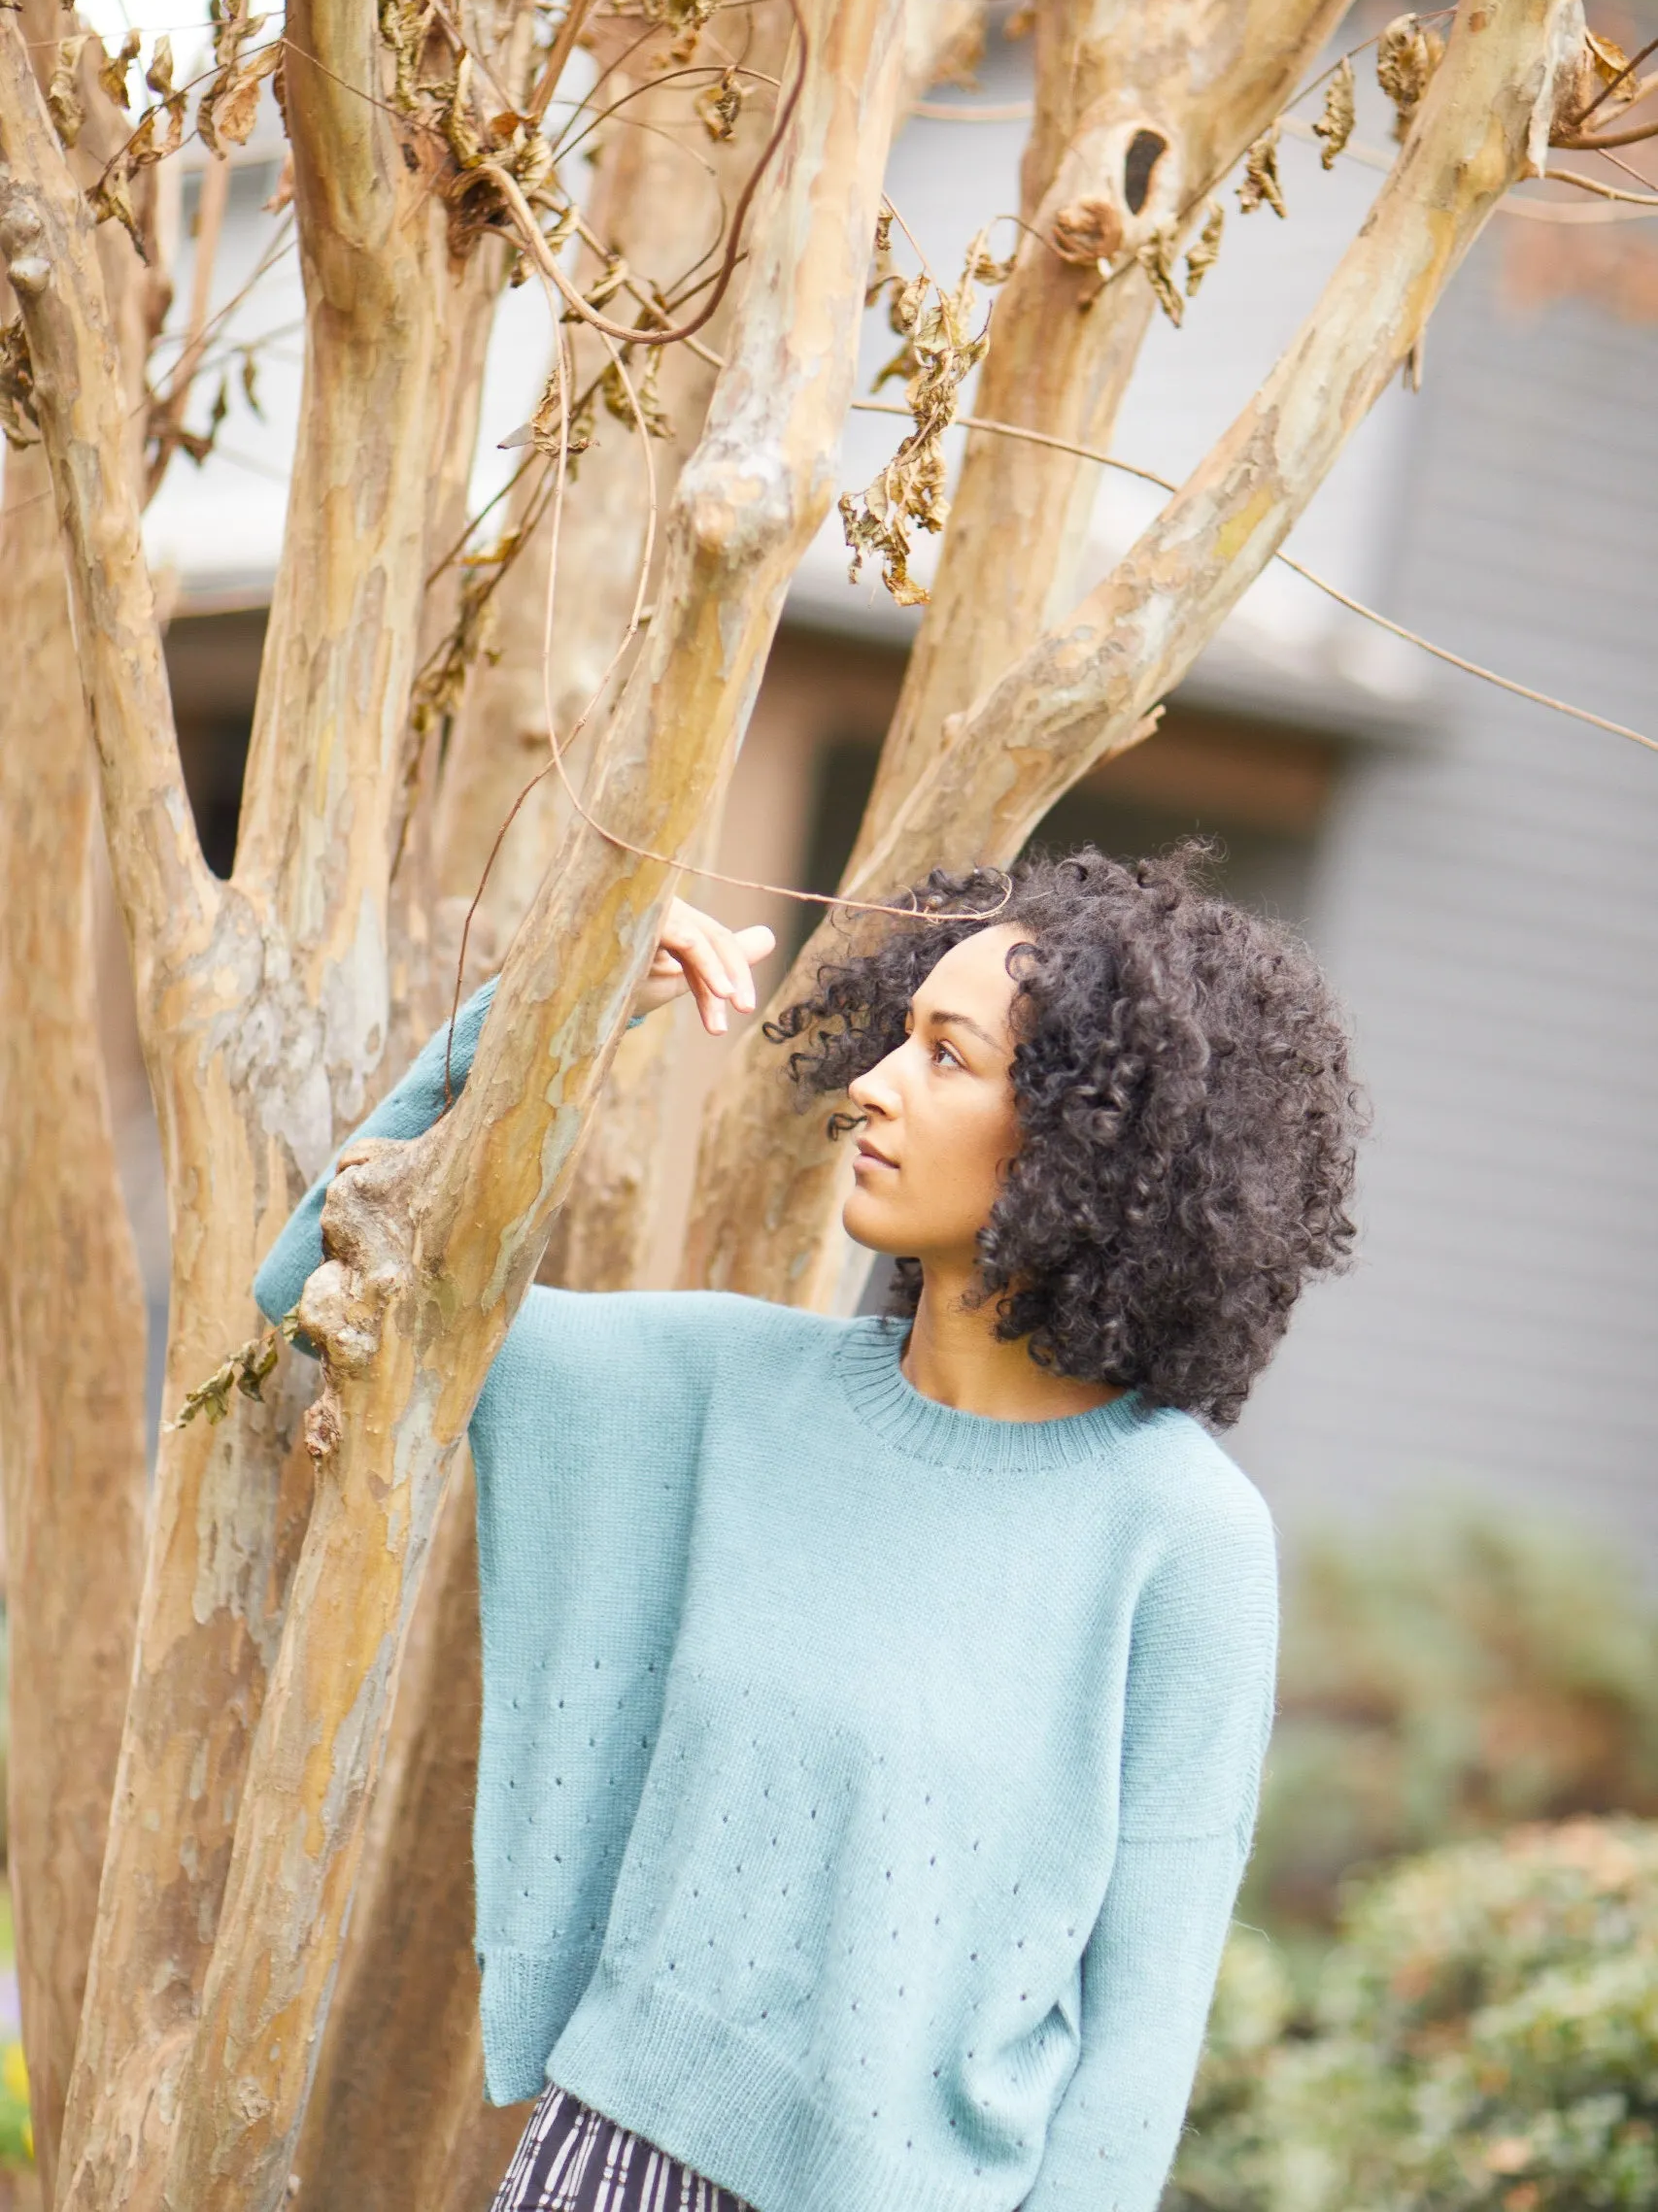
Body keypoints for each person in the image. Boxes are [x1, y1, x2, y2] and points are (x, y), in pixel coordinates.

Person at [256, 845, 1361, 2212]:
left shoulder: (1181, 1535)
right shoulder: (718, 1394)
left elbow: (1136, 2048)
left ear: (1090, 1134)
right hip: (609, 2166)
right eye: (895, 1037)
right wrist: (542, 1017)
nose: (872, 1086)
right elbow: (323, 1278)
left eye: (945, 1058)